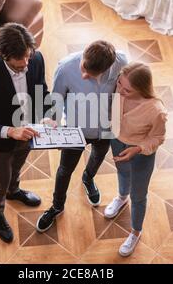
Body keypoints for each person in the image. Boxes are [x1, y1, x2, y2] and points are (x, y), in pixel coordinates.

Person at [0, 23, 54, 243]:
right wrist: (10, 131)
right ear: (3, 55)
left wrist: (46, 114)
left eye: (28, 56)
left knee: (16, 168)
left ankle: (14, 191)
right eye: (20, 60)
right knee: (0, 180)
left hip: (29, 133)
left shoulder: (36, 58)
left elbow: (42, 91)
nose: (26, 64)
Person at [36, 40, 128, 232]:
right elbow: (56, 99)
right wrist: (51, 121)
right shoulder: (66, 67)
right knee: (64, 170)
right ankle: (57, 206)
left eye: (90, 74)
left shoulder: (122, 62)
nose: (84, 74)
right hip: (75, 131)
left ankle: (88, 178)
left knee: (98, 156)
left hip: (105, 129)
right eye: (83, 68)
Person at [105, 62, 167, 257]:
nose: (121, 91)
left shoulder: (156, 110)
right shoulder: (119, 88)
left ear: (141, 88)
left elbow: (158, 138)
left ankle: (135, 232)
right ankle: (121, 198)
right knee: (122, 173)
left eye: (127, 90)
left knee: (139, 195)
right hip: (116, 141)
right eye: (120, 84)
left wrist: (138, 148)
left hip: (140, 153)